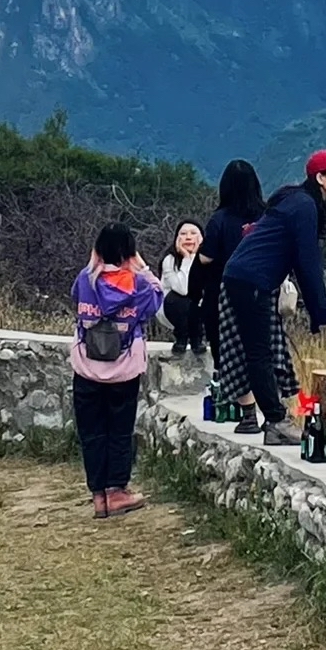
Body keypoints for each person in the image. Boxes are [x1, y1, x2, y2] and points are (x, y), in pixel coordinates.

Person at [221, 149, 326, 446]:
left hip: (246, 277)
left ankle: (275, 420)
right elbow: (307, 263)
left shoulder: (296, 201)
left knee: (259, 351)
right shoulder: (304, 206)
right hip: (251, 280)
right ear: (320, 177)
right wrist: (322, 314)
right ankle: (277, 422)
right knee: (259, 352)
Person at [70, 222, 163, 520]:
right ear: (129, 252)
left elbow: (75, 298)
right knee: (119, 431)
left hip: (86, 368)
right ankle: (117, 492)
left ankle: (98, 496)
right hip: (123, 371)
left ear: (97, 249)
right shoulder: (137, 284)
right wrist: (142, 267)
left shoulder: (85, 280)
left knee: (92, 432)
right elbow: (157, 298)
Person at [195, 160, 264, 370]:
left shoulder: (220, 219)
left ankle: (229, 400)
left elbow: (206, 258)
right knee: (257, 357)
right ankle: (258, 401)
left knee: (225, 360)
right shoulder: (267, 215)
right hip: (260, 295)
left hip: (222, 296)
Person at [159, 219, 206, 355]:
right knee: (180, 298)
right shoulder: (170, 260)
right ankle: (181, 338)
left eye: (193, 233)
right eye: (183, 234)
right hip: (172, 310)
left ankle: (197, 339)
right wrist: (188, 258)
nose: (188, 237)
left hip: (198, 311)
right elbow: (183, 289)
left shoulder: (209, 260)